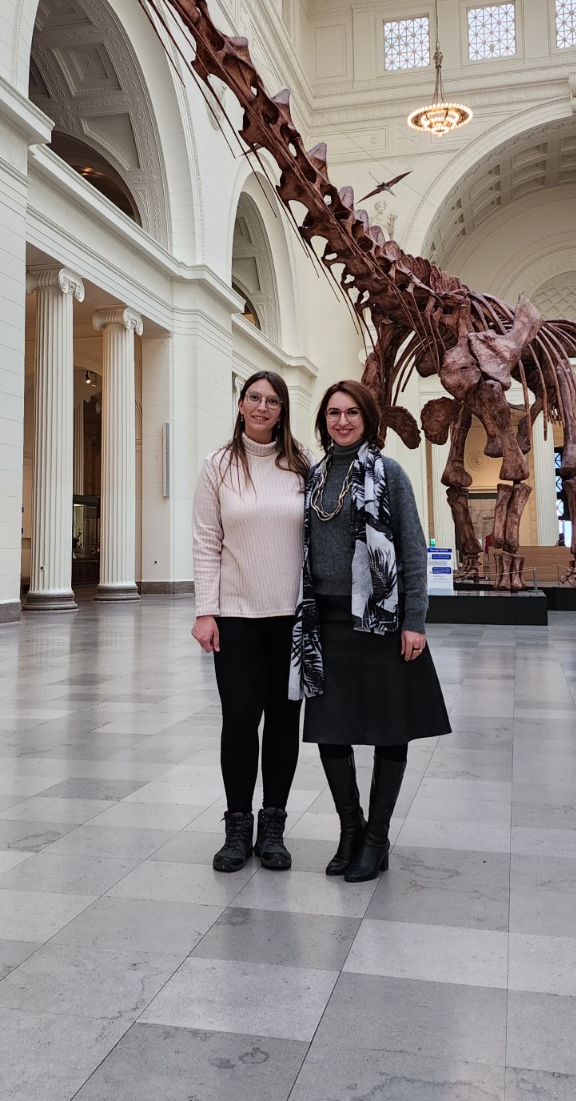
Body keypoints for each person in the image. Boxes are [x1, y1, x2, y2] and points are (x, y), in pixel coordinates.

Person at [292, 380, 451, 883]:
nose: (342, 421)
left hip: (381, 620)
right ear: (324, 421)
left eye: (352, 413)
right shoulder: (314, 477)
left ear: (367, 419)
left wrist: (415, 621)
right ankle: (350, 829)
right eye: (333, 413)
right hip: (326, 620)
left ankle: (377, 837)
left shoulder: (389, 473)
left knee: (389, 728)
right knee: (329, 729)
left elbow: (412, 549)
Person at [192, 371, 310, 873]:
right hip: (237, 617)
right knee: (240, 721)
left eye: (273, 401)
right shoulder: (217, 465)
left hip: (291, 619)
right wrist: (205, 610)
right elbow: (206, 540)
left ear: (282, 411)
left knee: (283, 723)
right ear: (240, 404)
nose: (263, 407)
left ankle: (273, 828)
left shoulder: (302, 464)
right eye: (255, 398)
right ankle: (237, 828)